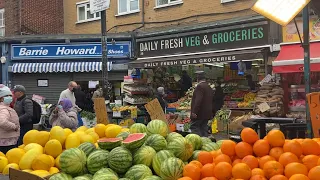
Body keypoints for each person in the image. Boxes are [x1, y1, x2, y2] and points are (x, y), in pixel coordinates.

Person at [190, 72, 214, 137]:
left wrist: (194, 112)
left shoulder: (199, 86)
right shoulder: (209, 87)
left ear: (197, 79)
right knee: (204, 128)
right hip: (207, 112)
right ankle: (205, 142)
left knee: (194, 127)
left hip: (200, 113)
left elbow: (198, 100)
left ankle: (198, 141)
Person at [0, 85, 20, 153]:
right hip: (6, 141)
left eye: (10, 96)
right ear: (1, 98)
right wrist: (14, 127)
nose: (10, 98)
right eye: (7, 96)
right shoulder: (4, 109)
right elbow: (2, 122)